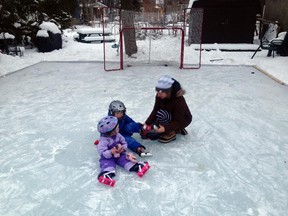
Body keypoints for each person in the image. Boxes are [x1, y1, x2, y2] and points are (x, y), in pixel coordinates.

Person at [96, 116, 150, 187]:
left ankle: (137, 167)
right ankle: (105, 175)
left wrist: (123, 149)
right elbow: (102, 153)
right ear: (112, 132)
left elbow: (124, 143)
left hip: (119, 154)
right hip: (108, 157)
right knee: (108, 165)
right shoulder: (103, 141)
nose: (119, 129)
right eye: (117, 128)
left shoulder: (118, 135)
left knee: (125, 160)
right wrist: (110, 152)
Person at [143, 75, 192, 143]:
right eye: (157, 92)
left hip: (183, 120)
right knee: (157, 117)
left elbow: (178, 121)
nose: (158, 95)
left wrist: (165, 128)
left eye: (161, 92)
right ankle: (175, 129)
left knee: (161, 115)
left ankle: (171, 133)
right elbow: (155, 110)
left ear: (169, 91)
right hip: (169, 115)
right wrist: (147, 123)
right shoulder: (159, 96)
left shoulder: (179, 101)